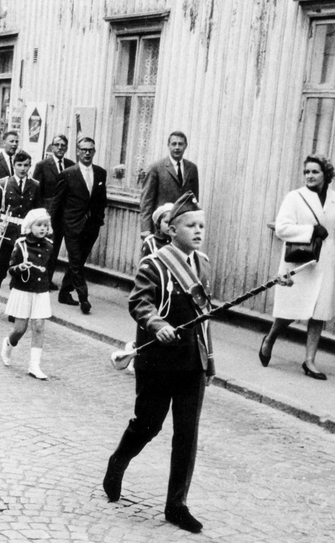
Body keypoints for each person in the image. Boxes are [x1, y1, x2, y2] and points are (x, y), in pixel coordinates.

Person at [103, 192, 214, 534]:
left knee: (187, 434)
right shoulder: (153, 263)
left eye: (201, 225)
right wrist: (157, 324)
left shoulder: (203, 263)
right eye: (190, 225)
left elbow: (203, 313)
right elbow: (139, 301)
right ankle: (117, 463)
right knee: (148, 424)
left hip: (191, 361)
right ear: (172, 229)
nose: (197, 231)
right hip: (157, 361)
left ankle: (176, 504)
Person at [259, 155, 335, 380]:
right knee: (291, 311)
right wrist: (311, 230)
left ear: (326, 174)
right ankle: (270, 338)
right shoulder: (295, 197)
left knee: (318, 313)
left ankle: (309, 360)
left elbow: (334, 233)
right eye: (307, 172)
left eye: (315, 171)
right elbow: (282, 229)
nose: (310, 176)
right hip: (300, 262)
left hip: (324, 262)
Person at [0, 150, 40, 316]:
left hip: (24, 236)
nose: (22, 169)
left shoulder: (35, 185)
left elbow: (37, 212)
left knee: (20, 272)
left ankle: (14, 310)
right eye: (19, 165)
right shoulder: (3, 183)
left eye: (26, 165)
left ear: (30, 166)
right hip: (6, 233)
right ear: (14, 166)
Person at [0, 208, 55, 380]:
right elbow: (10, 269)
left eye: (45, 225)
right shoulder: (21, 244)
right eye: (39, 225)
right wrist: (20, 268)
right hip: (23, 290)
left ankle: (34, 366)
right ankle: (8, 343)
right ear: (30, 226)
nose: (42, 229)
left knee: (39, 326)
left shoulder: (50, 246)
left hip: (41, 291)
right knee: (20, 329)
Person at [55, 137, 107, 314]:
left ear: (94, 152)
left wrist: (99, 218)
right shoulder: (68, 173)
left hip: (92, 226)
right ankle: (83, 298)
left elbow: (101, 199)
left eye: (90, 150)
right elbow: (57, 201)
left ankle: (64, 292)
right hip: (72, 225)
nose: (87, 153)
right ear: (77, 151)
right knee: (76, 261)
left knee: (79, 261)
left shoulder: (100, 173)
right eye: (83, 149)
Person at [31, 134, 75, 289]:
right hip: (47, 213)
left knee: (55, 247)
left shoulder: (71, 165)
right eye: (57, 144)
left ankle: (48, 279)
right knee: (45, 245)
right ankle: (40, 278)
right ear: (52, 146)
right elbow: (36, 191)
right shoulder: (42, 165)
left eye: (63, 145)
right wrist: (40, 214)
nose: (60, 147)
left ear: (67, 147)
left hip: (64, 214)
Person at [139, 132, 200, 238]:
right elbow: (146, 201)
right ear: (168, 145)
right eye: (174, 144)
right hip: (161, 227)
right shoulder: (156, 168)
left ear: (186, 146)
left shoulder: (192, 168)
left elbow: (194, 200)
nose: (177, 147)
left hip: (183, 227)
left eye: (180, 144)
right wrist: (146, 229)